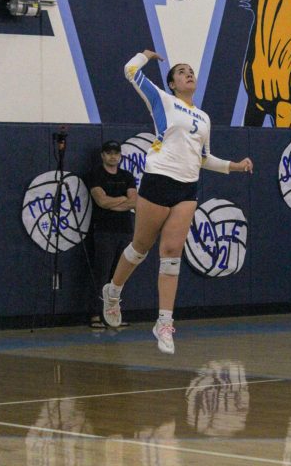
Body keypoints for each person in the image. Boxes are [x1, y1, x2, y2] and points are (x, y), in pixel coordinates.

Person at [102, 50, 253, 353]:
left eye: (191, 71)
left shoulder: (204, 117)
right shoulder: (162, 99)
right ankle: (113, 291)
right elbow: (130, 70)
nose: (188, 74)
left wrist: (233, 166)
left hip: (187, 187)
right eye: (181, 72)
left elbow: (204, 158)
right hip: (159, 179)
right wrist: (144, 55)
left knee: (171, 253)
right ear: (172, 83)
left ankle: (164, 322)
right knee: (141, 247)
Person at [87, 140, 137, 328]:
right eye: (108, 153)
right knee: (101, 273)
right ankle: (95, 314)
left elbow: (134, 202)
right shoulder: (96, 175)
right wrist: (122, 200)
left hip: (124, 231)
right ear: (102, 155)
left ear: (120, 155)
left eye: (116, 153)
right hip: (104, 231)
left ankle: (113, 314)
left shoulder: (127, 176)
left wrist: (115, 202)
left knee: (118, 276)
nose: (113, 156)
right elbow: (101, 201)